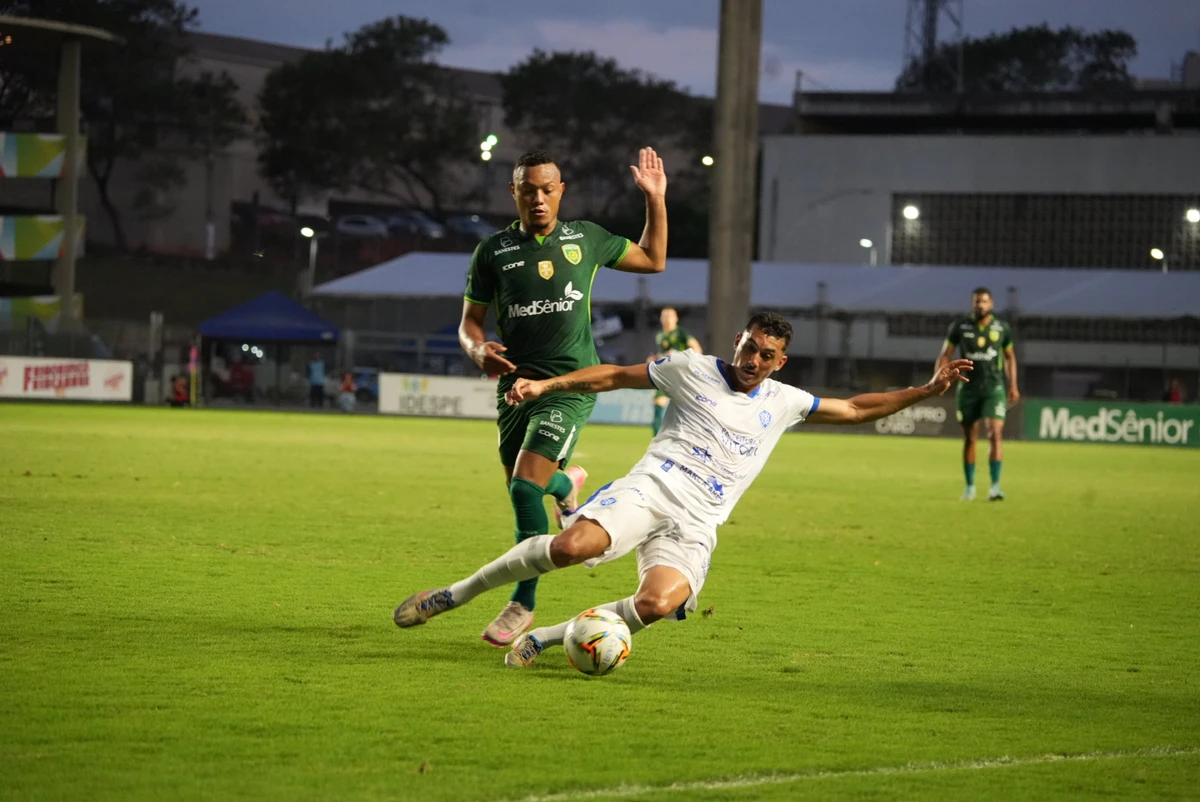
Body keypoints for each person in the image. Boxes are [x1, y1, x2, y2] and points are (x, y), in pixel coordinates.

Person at [395, 312, 973, 667]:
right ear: (738, 340)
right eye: (749, 347)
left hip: (698, 523)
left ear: (780, 362)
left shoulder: (786, 401)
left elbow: (857, 408)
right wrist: (548, 386)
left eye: (766, 355)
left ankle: (546, 638)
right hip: (653, 488)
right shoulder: (690, 367)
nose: (753, 360)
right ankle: (453, 595)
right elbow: (614, 375)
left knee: (657, 605)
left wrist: (926, 390)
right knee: (570, 548)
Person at [458, 147, 669, 647]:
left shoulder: (586, 239)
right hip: (515, 387)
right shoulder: (492, 252)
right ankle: (567, 483)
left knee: (522, 489)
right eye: (528, 190)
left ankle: (523, 602)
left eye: (547, 190)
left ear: (561, 192)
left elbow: (653, 259)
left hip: (572, 385)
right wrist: (477, 350)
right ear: (513, 192)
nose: (538, 199)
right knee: (525, 485)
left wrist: (655, 200)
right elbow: (470, 323)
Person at [936, 287, 1019, 502]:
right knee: (970, 439)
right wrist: (939, 378)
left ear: (991, 304)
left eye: (984, 301)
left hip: (994, 388)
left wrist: (1013, 385)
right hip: (968, 389)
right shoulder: (960, 326)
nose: (980, 305)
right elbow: (945, 354)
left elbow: (1010, 357)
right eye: (977, 301)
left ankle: (995, 487)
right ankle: (970, 487)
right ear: (972, 304)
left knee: (995, 434)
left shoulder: (1002, 327)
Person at [649, 306, 701, 435]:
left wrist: (679, 356)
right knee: (658, 406)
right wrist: (655, 358)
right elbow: (663, 355)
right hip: (664, 375)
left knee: (686, 410)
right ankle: (657, 440)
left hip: (680, 375)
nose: (667, 319)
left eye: (670, 316)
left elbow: (697, 349)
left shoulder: (681, 333)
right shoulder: (660, 335)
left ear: (676, 318)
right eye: (664, 316)